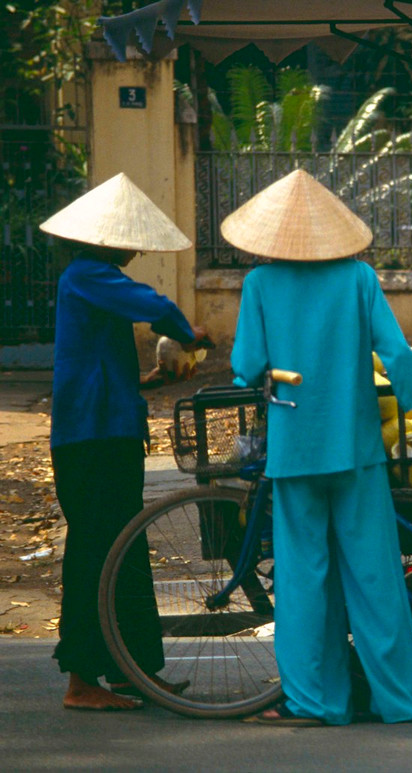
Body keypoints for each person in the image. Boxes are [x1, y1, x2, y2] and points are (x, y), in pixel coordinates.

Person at [224, 169, 412, 727]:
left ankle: (315, 702)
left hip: (295, 449)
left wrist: (267, 371)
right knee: (374, 578)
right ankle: (402, 701)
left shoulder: (259, 285)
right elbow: (396, 354)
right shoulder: (359, 279)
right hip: (357, 450)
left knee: (303, 579)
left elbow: (247, 365)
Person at [39, 172, 212, 711]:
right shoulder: (88, 274)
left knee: (123, 548)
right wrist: (189, 334)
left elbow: (96, 366)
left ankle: (131, 669)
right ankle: (82, 678)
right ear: (105, 240)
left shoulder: (88, 280)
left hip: (106, 429)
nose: (134, 250)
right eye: (127, 240)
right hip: (92, 438)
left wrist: (149, 382)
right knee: (98, 550)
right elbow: (153, 305)